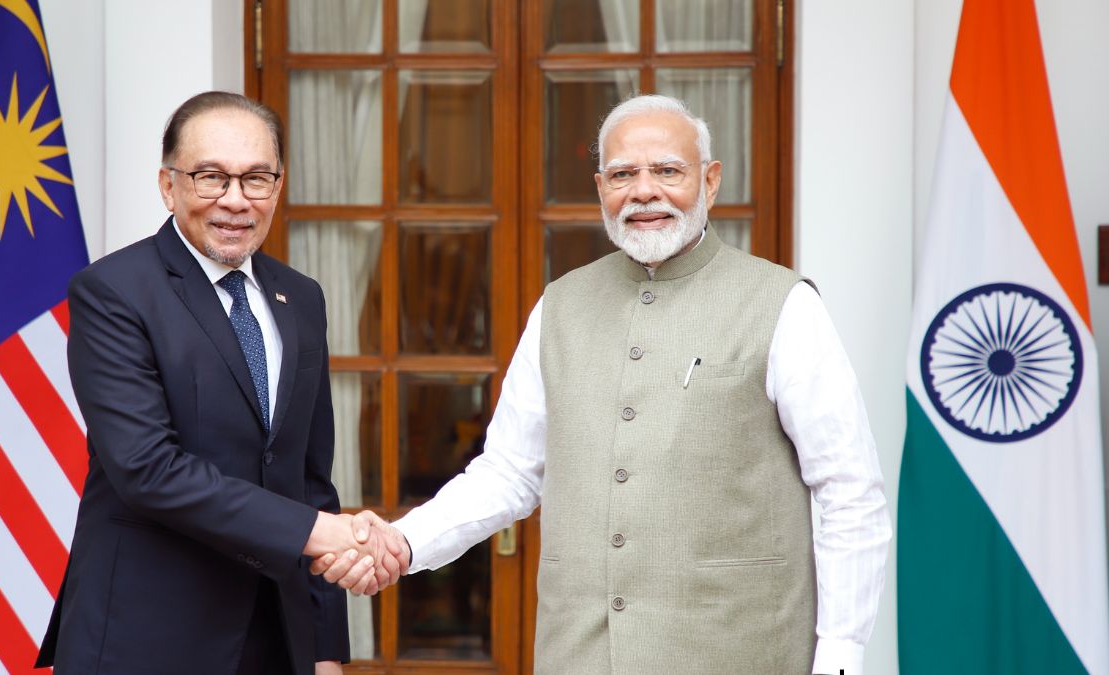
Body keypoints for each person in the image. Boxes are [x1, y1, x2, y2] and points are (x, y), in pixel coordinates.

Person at [315, 95, 891, 675]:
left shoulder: (783, 304)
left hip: (740, 650)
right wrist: (405, 542)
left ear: (710, 182)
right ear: (600, 188)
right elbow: (510, 471)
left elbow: (848, 490)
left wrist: (841, 653)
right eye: (623, 174)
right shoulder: (559, 306)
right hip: (582, 653)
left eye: (667, 170)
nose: (644, 192)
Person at [36, 91, 405, 675]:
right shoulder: (113, 292)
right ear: (169, 185)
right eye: (210, 177)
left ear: (278, 187)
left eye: (257, 178)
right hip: (147, 637)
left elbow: (309, 477)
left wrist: (327, 647)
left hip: (276, 638)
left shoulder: (301, 298)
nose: (235, 201)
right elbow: (147, 469)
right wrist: (322, 534)